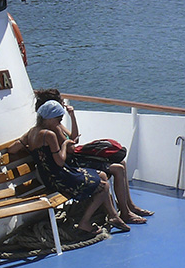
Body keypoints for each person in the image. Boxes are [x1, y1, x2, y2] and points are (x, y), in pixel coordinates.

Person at [34, 89, 152, 223]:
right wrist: (68, 144)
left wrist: (72, 115)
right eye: (60, 101)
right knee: (118, 169)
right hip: (73, 162)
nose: (62, 102)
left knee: (122, 163)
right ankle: (125, 213)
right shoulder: (53, 128)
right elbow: (71, 148)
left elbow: (74, 137)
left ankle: (129, 206)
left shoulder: (57, 124)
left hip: (75, 157)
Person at [23, 100, 126, 235]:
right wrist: (65, 144)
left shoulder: (31, 132)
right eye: (58, 119)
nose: (60, 122)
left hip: (47, 175)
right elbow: (60, 161)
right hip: (58, 176)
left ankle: (113, 216)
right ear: (49, 119)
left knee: (101, 175)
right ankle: (84, 222)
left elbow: (13, 149)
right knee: (104, 186)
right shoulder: (49, 134)